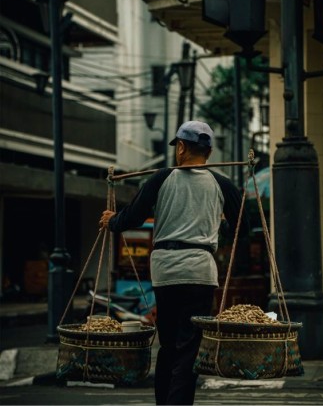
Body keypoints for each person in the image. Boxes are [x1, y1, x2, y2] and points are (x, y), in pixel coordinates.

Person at [99, 120, 249, 405]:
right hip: (200, 271)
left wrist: (111, 221)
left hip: (166, 271)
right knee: (189, 349)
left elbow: (132, 218)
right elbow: (244, 226)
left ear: (181, 148)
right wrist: (220, 228)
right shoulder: (223, 184)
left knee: (168, 345)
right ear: (209, 151)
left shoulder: (160, 178)